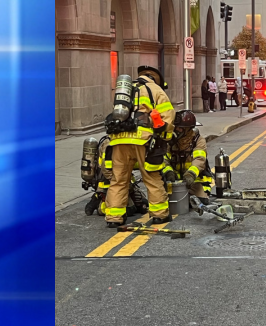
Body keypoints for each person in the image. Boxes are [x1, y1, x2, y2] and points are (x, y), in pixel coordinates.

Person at [104, 65, 175, 227]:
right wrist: (165, 139)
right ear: (155, 79)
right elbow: (168, 117)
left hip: (118, 140)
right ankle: (159, 215)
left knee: (119, 179)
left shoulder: (126, 90)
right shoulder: (155, 89)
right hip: (143, 140)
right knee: (151, 176)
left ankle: (114, 218)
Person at [84, 136, 148, 217]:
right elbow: (106, 170)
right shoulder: (109, 145)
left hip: (123, 179)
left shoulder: (125, 142)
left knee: (142, 203)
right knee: (130, 210)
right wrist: (119, 182)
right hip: (108, 182)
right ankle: (98, 200)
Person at [162, 110, 212, 205]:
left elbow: (199, 160)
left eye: (180, 128)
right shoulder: (171, 141)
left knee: (201, 201)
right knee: (163, 199)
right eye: (175, 127)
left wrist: (191, 174)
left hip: (194, 180)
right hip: (175, 180)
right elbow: (164, 159)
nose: (176, 130)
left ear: (188, 129)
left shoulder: (198, 140)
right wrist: (168, 172)